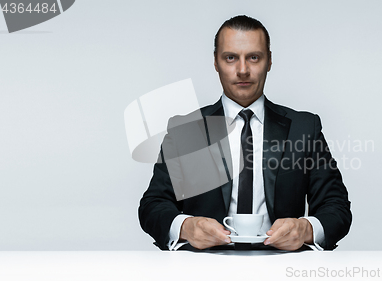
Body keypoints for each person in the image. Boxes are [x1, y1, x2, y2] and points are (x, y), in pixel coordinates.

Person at [138, 15, 351, 251]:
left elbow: (337, 206)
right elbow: (153, 205)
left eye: (254, 57)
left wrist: (306, 230)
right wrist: (186, 226)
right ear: (216, 63)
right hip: (201, 265)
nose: (242, 70)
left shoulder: (304, 127)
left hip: (283, 264)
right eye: (230, 58)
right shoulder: (185, 131)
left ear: (269, 61)